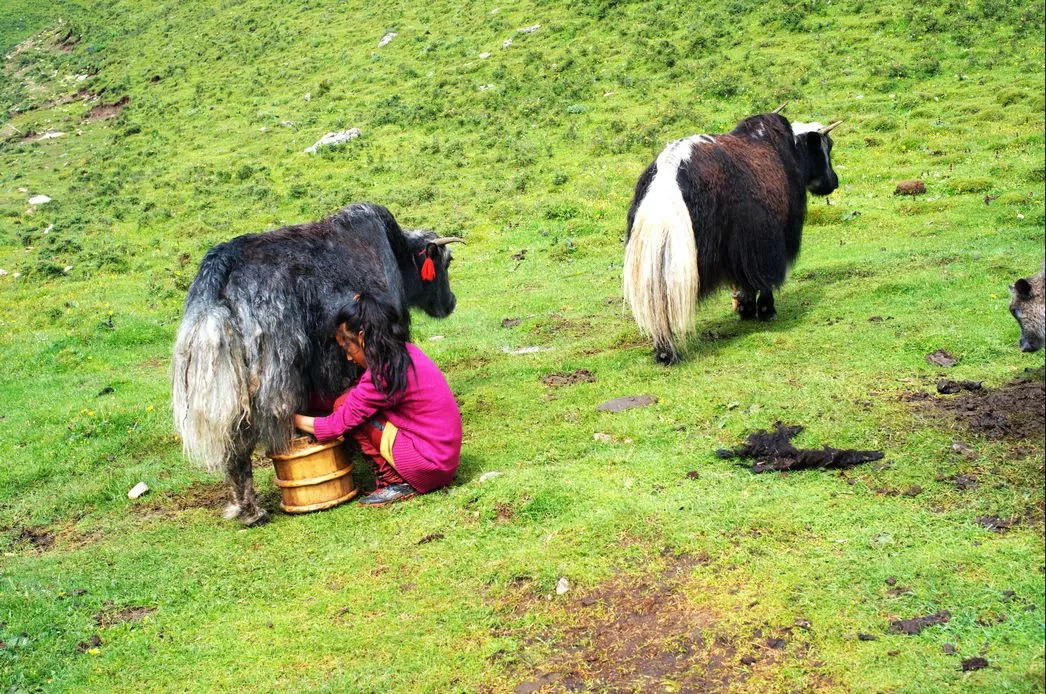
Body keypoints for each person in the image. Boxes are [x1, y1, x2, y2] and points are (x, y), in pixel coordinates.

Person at [293, 293, 462, 506]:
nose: (348, 357)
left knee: (346, 407)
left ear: (362, 337)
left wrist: (290, 419)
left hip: (429, 466)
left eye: (348, 348)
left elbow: (334, 426)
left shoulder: (383, 373)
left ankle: (394, 482)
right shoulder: (402, 354)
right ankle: (400, 474)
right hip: (442, 459)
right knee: (347, 401)